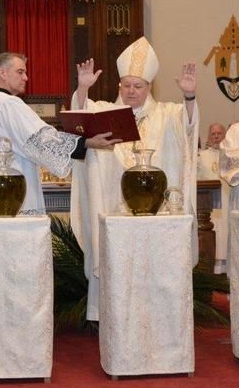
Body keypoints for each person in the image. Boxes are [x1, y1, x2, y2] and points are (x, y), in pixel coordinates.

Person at [70, 38, 199, 322]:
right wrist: (83, 88)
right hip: (113, 209)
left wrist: (189, 98)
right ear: (119, 86)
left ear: (149, 87)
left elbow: (189, 129)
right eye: (126, 85)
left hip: (156, 213)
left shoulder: (167, 114)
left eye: (138, 86)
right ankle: (116, 318)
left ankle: (156, 318)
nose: (131, 91)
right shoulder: (103, 110)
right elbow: (79, 120)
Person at [0, 52, 119, 223]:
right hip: (12, 198)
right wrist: (87, 143)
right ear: (2, 73)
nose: (26, 77)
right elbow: (40, 140)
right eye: (20, 72)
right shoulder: (8, 104)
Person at [198, 122, 228, 273]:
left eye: (219, 134)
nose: (216, 137)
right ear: (209, 137)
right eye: (213, 134)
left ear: (225, 135)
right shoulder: (201, 156)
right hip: (209, 203)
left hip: (227, 200)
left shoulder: (231, 155)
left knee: (226, 231)